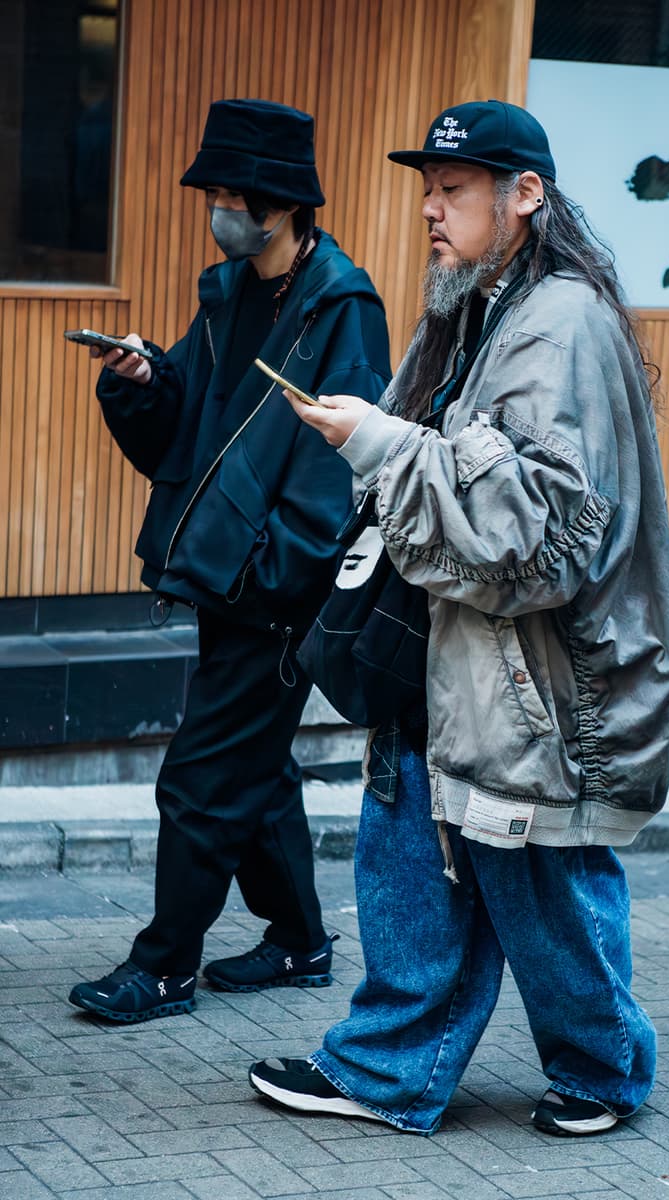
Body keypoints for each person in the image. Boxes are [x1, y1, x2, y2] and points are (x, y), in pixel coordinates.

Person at [247, 100, 669, 1137]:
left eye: (452, 191)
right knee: (409, 854)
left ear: (522, 196)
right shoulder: (472, 304)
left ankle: (604, 1069)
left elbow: (539, 537)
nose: (430, 212)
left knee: (539, 885)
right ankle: (387, 1068)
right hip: (445, 651)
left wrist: (379, 445)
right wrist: (381, 442)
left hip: (538, 680)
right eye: (427, 192)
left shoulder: (559, 322)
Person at [67, 99, 391, 1023]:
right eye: (212, 190)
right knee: (253, 763)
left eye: (230, 192)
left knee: (201, 776)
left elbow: (342, 463)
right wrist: (140, 380)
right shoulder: (231, 291)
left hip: (277, 588)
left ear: (281, 203)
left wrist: (275, 571)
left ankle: (163, 966)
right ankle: (300, 942)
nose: (217, 205)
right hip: (225, 576)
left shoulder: (341, 305)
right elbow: (187, 422)